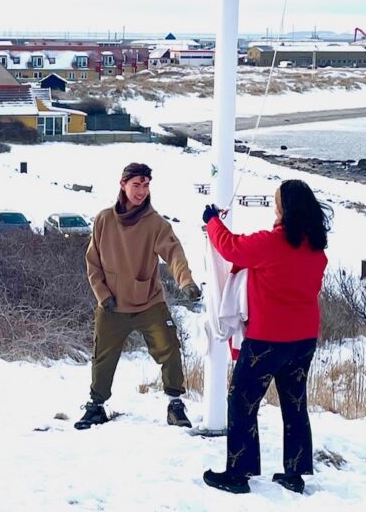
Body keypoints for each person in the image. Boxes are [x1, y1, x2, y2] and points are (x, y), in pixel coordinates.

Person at [200, 179, 331, 495]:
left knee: (242, 401)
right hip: (304, 339)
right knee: (294, 402)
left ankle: (239, 473)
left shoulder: (271, 243)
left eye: (277, 203)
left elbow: (230, 247)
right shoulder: (316, 249)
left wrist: (211, 221)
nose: (274, 208)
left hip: (268, 339)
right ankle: (295, 473)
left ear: (286, 209)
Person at [75, 162, 201, 430]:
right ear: (123, 185)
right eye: (136, 185)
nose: (141, 191)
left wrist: (186, 281)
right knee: (102, 356)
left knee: (170, 349)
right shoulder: (104, 220)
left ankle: (175, 404)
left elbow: (174, 254)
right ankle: (96, 406)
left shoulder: (156, 224)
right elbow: (92, 262)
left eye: (146, 185)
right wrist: (102, 294)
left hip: (149, 302)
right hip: (111, 304)